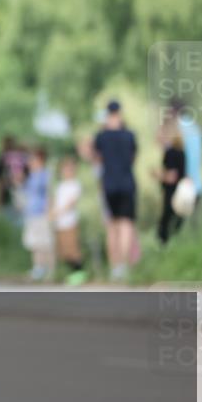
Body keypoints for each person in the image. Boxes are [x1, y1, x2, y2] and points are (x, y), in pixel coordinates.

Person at [94, 100, 138, 282]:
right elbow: (134, 157)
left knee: (112, 226)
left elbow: (97, 158)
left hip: (109, 184)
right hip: (127, 183)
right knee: (126, 225)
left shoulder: (101, 136)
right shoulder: (129, 135)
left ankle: (115, 267)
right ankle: (125, 267)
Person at [51, 155, 84, 284]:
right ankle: (72, 274)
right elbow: (55, 201)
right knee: (63, 251)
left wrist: (58, 212)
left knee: (72, 249)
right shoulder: (61, 185)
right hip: (59, 223)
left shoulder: (75, 185)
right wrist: (52, 212)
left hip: (69, 222)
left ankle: (79, 273)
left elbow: (71, 202)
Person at [21, 147, 53, 281]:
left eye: (31, 159)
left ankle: (48, 270)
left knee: (44, 242)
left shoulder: (46, 174)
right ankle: (38, 268)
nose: (29, 162)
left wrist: (50, 210)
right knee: (34, 243)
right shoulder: (31, 176)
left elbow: (49, 193)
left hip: (42, 213)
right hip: (31, 213)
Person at [153, 126, 186, 245]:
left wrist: (157, 174)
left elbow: (172, 176)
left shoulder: (170, 152)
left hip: (172, 192)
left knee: (166, 221)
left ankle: (165, 244)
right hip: (179, 192)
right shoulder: (181, 151)